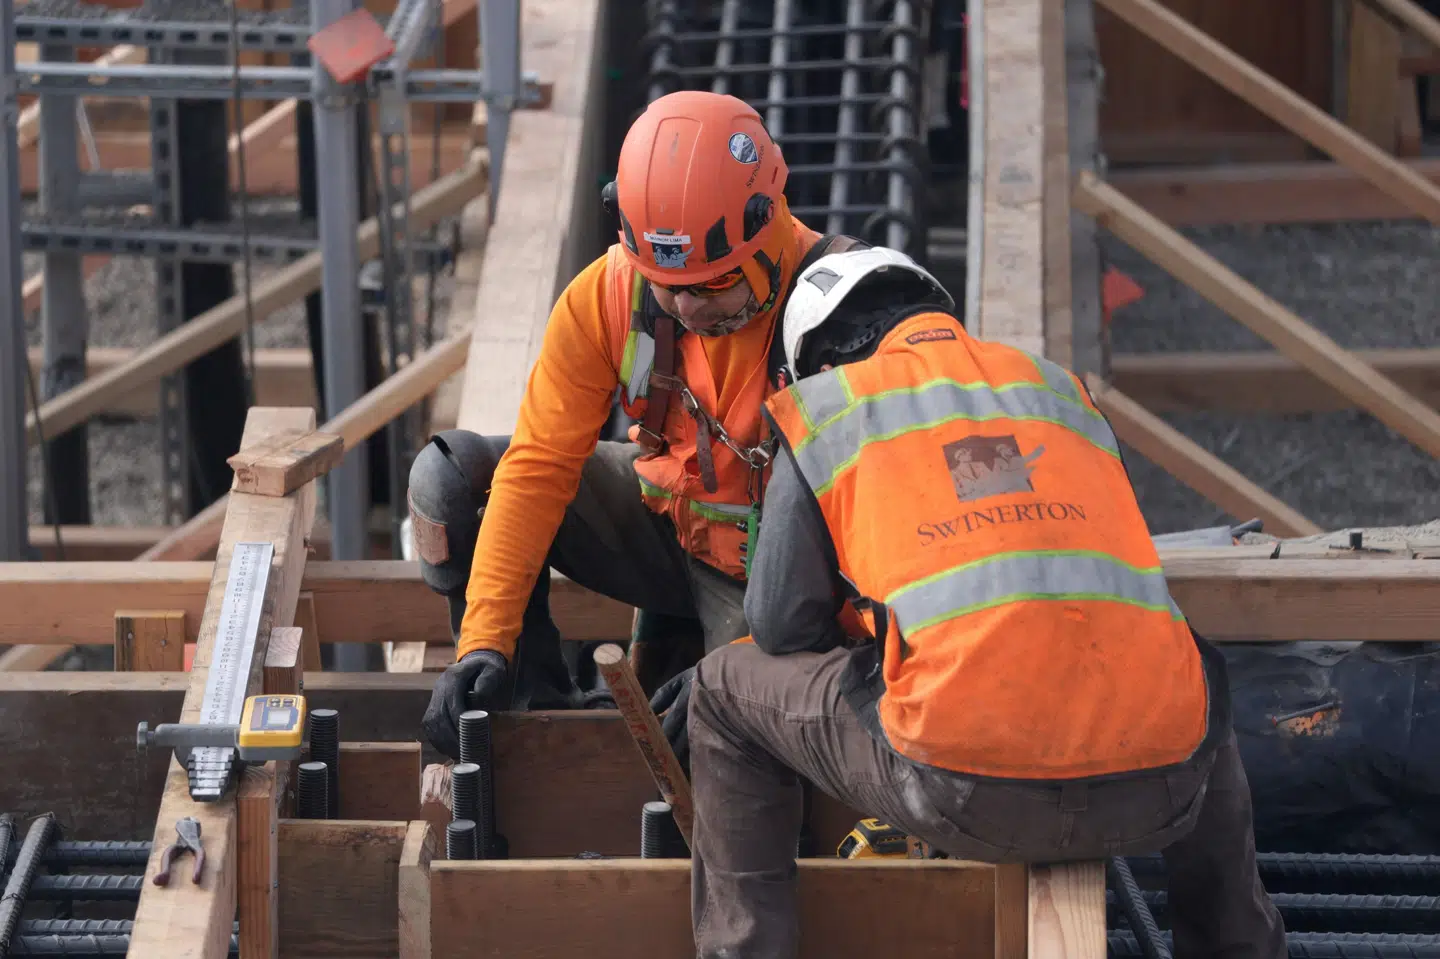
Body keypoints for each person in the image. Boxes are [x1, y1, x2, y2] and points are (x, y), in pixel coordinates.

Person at [667, 246, 1287, 959]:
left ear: (821, 353)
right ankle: (1242, 944)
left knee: (721, 688)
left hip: (967, 788)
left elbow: (780, 623)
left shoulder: (831, 406)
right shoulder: (1059, 392)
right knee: (1177, 665)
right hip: (1167, 788)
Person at [407, 88, 867, 758]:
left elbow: (874, 553)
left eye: (711, 286)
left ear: (768, 226)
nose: (686, 309)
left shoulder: (845, 318)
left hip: (783, 583)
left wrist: (738, 671)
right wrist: (484, 640)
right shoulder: (611, 294)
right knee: (456, 481)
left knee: (724, 740)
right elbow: (537, 469)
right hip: (668, 518)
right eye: (666, 285)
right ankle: (529, 708)